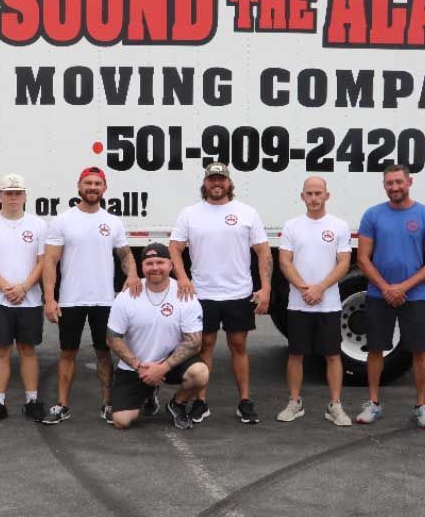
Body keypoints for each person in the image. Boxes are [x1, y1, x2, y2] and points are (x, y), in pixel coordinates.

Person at [170, 162, 271, 425]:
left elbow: (263, 251)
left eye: (221, 179)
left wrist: (266, 288)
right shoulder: (190, 213)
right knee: (205, 346)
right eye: (212, 179)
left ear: (229, 183)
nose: (217, 184)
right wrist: (182, 278)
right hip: (203, 294)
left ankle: (245, 401)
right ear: (205, 182)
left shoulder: (246, 213)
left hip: (239, 293)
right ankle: (201, 402)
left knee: (239, 346)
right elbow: (174, 248)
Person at [42, 167, 141, 424]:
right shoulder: (63, 220)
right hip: (71, 299)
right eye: (88, 183)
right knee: (67, 352)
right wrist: (50, 299)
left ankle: (108, 404)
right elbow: (50, 262)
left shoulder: (112, 222)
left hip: (104, 300)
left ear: (104, 188)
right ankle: (62, 405)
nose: (93, 187)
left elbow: (125, 254)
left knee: (104, 352)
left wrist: (132, 273)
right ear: (79, 187)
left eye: (97, 183)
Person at [356, 165, 425, 429]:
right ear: (384, 186)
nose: (394, 187)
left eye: (399, 182)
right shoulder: (373, 215)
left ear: (409, 182)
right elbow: (362, 258)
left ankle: (421, 406)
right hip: (378, 294)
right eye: (389, 183)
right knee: (375, 349)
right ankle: (373, 403)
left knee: (418, 350)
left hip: (413, 296)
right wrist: (385, 288)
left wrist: (402, 288)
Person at [275, 177, 353, 426]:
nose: (314, 198)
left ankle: (335, 405)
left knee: (332, 355)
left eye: (318, 193)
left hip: (328, 303)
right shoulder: (291, 226)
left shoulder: (340, 226)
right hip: (299, 303)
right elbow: (284, 261)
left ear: (327, 196)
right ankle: (294, 402)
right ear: (302, 197)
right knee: (296, 354)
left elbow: (344, 263)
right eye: (309, 194)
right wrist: (304, 288)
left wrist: (320, 288)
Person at [106, 243, 209, 430]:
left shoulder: (184, 294)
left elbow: (194, 342)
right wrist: (139, 367)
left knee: (200, 373)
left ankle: (177, 404)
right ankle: (148, 393)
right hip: (135, 366)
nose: (155, 268)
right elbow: (112, 338)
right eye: (149, 263)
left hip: (169, 362)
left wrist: (162, 368)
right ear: (142, 267)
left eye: (160, 262)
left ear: (171, 265)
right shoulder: (127, 296)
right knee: (121, 421)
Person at [0, 173, 48, 425]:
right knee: (1, 350)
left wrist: (25, 287)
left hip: (30, 300)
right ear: (0, 196)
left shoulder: (38, 224)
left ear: (25, 196)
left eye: (18, 193)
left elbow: (43, 261)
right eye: (8, 193)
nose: (13, 197)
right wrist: (7, 288)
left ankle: (32, 401)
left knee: (28, 349)